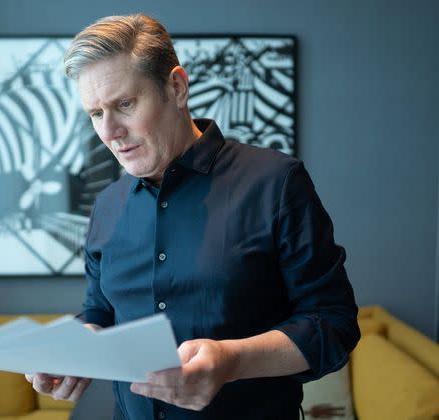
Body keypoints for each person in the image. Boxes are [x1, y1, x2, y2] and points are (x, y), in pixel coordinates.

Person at [25, 13, 360, 419]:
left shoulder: (276, 182)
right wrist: (78, 344)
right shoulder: (107, 206)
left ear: (177, 87)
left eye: (124, 104)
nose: (110, 131)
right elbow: (100, 312)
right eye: (96, 114)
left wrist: (232, 361)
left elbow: (334, 325)